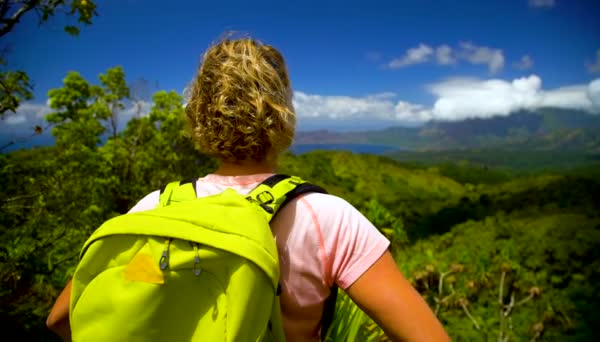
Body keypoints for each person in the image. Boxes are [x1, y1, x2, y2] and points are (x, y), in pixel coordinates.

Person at [47, 36, 450, 342]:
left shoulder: (155, 209)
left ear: (199, 112)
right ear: (283, 111)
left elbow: (62, 319)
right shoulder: (327, 217)